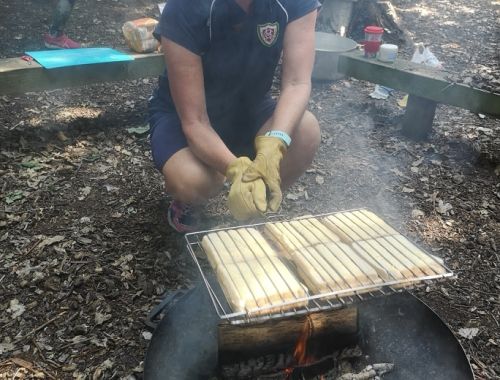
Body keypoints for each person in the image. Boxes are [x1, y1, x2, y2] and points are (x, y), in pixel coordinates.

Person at [149, 0, 321, 232]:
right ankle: (190, 202)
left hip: (251, 108)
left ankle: (258, 197)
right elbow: (195, 120)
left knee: (306, 130)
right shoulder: (184, 7)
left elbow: (296, 82)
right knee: (192, 180)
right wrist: (236, 169)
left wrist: (275, 142)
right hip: (186, 114)